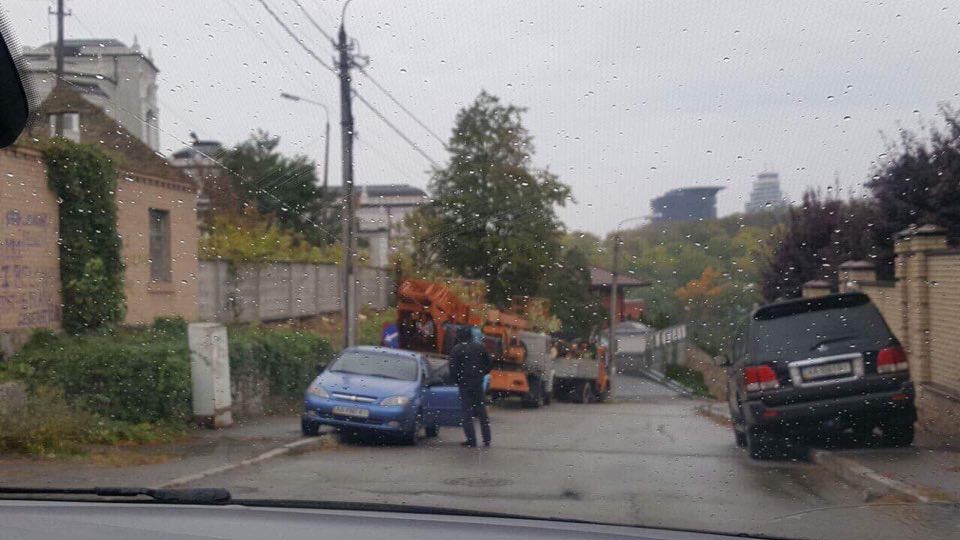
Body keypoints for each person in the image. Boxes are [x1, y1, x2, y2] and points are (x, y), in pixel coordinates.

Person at [448, 325, 492, 447]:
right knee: (482, 411)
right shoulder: (480, 347)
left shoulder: (457, 349)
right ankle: (487, 438)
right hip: (477, 382)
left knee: (466, 412)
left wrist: (457, 380)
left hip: (464, 383)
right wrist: (482, 373)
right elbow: (489, 363)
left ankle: (471, 439)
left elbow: (452, 368)